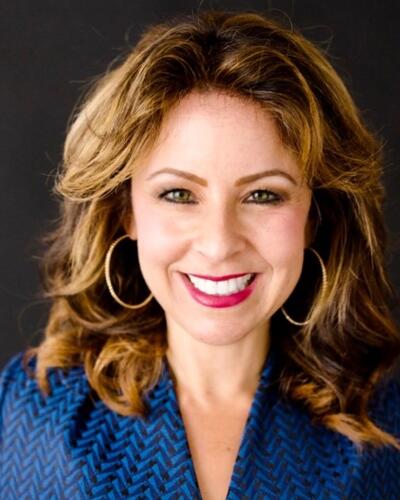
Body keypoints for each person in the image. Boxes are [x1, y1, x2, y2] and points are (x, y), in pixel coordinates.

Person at [1, 9, 399, 499]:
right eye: (178, 194)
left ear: (315, 216)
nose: (218, 244)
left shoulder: (387, 425)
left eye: (263, 195)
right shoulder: (33, 411)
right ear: (126, 211)